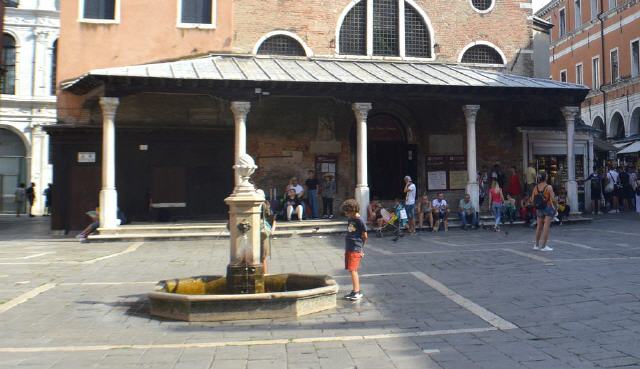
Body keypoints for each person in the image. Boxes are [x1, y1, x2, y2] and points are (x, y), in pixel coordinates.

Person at [341, 199, 367, 301]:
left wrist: (361, 249)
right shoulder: (350, 219)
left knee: (353, 270)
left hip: (355, 248)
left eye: (347, 212)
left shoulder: (359, 220)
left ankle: (357, 292)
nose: (346, 214)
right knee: (351, 269)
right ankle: (355, 290)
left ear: (352, 210)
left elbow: (365, 235)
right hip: (349, 247)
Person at [531, 173, 556, 251]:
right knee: (546, 227)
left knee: (539, 226)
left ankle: (536, 245)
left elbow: (532, 199)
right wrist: (556, 206)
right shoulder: (549, 187)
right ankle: (544, 246)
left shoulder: (536, 187)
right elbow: (553, 198)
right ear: (546, 178)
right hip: (548, 207)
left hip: (539, 208)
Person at [260, 198, 276, 274]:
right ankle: (264, 275)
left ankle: (265, 275)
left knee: (262, 257)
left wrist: (272, 229)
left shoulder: (265, 206)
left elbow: (273, 220)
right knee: (262, 258)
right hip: (261, 234)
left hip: (263, 234)